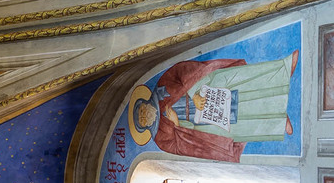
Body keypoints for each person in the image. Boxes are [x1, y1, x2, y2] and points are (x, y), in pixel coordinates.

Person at [127, 50, 298, 162]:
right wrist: (176, 125)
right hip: (202, 124)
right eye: (142, 120)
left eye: (142, 111)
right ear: (145, 127)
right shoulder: (159, 138)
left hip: (207, 91)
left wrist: (193, 94)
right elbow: (179, 147)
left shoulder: (161, 87)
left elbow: (181, 71)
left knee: (240, 81)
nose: (145, 116)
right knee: (241, 123)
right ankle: (278, 122)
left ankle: (281, 71)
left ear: (144, 103)